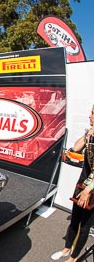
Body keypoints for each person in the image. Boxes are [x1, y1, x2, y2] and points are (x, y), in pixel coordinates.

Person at [51, 105, 94, 262]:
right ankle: (66, 248)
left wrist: (89, 189)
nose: (89, 116)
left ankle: (74, 258)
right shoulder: (90, 134)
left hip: (91, 187)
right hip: (82, 182)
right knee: (75, 216)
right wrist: (88, 134)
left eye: (93, 113)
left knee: (84, 224)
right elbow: (76, 149)